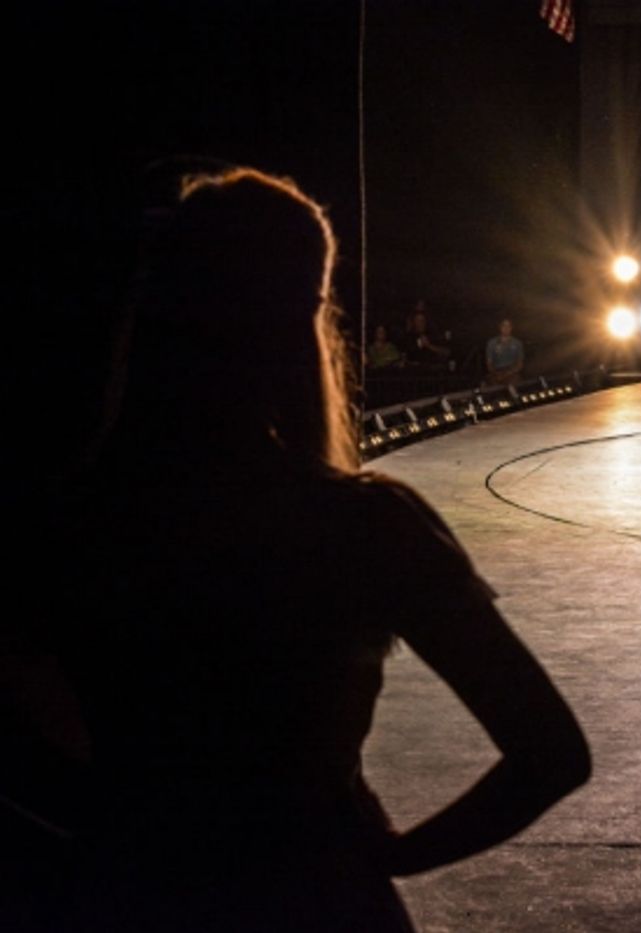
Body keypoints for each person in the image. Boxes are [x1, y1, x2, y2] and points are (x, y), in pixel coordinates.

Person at [54, 167, 591, 931]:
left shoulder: (80, 517)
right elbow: (551, 752)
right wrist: (392, 856)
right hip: (312, 893)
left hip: (126, 890)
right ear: (302, 316)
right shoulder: (363, 525)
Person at [402, 299, 451, 367]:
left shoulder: (433, 335)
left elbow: (447, 352)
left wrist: (429, 345)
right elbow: (406, 355)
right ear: (414, 323)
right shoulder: (409, 337)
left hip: (432, 369)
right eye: (418, 321)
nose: (420, 323)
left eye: (422, 321)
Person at [484, 318, 524, 386]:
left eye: (508, 326)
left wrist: (507, 374)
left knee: (515, 384)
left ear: (511, 328)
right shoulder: (492, 343)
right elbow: (489, 364)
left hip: (512, 372)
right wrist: (497, 374)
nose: (506, 328)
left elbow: (520, 364)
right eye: (504, 326)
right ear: (500, 327)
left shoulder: (517, 343)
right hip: (496, 371)